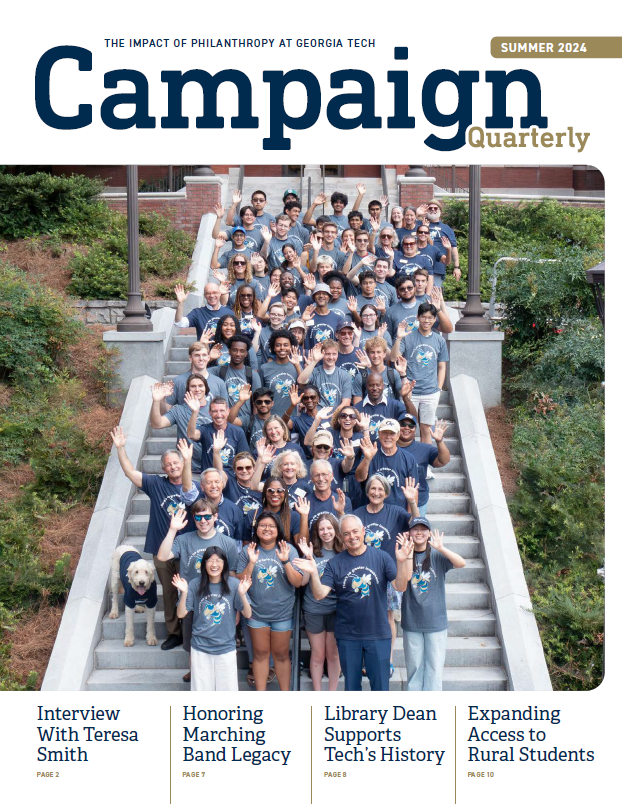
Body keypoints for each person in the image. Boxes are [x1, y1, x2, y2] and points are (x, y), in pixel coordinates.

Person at [293, 514, 413, 691]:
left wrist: (402, 562)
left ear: (363, 531)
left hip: (378, 634)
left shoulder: (382, 557)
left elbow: (400, 586)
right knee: (352, 688)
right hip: (348, 636)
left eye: (355, 531)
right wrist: (312, 573)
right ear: (341, 537)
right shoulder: (334, 563)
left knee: (380, 687)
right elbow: (319, 594)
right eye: (347, 533)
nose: (352, 537)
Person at [110, 427, 199, 651]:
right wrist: (120, 448)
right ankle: (174, 632)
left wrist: (187, 462)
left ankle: (192, 630)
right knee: (168, 592)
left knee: (189, 588)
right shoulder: (156, 484)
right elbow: (130, 472)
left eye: (176, 463)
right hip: (162, 547)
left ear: (183, 463)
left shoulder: (191, 487)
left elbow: (188, 489)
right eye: (168, 464)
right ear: (163, 467)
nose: (172, 466)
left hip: (188, 547)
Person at [158, 501, 239, 682]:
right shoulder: (184, 540)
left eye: (207, 516)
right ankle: (196, 676)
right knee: (191, 646)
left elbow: (233, 575)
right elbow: (163, 556)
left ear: (215, 517)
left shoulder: (228, 543)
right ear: (193, 518)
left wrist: (237, 609)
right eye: (198, 517)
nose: (203, 521)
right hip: (191, 602)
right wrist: (172, 530)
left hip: (221, 604)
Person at [354, 475, 420, 676]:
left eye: (380, 489)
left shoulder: (396, 512)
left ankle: (387, 659)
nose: (376, 492)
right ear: (367, 492)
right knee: (364, 618)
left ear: (386, 493)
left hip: (388, 574)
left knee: (387, 617)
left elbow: (416, 522)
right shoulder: (358, 515)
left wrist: (412, 502)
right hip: (364, 573)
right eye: (372, 489)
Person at [237, 512, 306, 690]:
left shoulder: (287, 549)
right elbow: (240, 581)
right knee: (260, 654)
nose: (267, 529)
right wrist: (251, 563)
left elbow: (298, 582)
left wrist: (285, 562)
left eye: (271, 526)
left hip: (282, 613)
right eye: (263, 525)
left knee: (281, 655)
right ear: (256, 528)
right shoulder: (248, 550)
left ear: (278, 529)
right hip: (256, 612)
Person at [395, 516, 465, 691]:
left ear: (428, 533)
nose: (419, 532)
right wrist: (405, 557)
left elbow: (461, 563)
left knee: (434, 668)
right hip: (412, 620)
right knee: (415, 668)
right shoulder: (403, 554)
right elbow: (404, 582)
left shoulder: (437, 555)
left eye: (423, 529)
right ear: (409, 532)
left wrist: (441, 548)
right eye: (415, 529)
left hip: (436, 621)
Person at [173, 546, 252, 691]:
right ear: (204, 564)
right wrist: (183, 593)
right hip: (201, 647)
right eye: (210, 561)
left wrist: (242, 595)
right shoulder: (195, 584)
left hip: (226, 648)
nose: (214, 564)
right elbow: (180, 614)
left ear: (224, 564)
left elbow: (247, 614)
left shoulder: (234, 584)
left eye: (218, 561)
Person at [391, 303, 449, 447]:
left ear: (435, 319)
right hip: (410, 391)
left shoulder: (439, 340)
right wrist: (398, 338)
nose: (426, 321)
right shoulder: (408, 337)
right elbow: (393, 358)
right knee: (405, 427)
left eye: (430, 318)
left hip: (431, 392)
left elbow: (442, 366)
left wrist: (439, 388)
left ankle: (425, 466)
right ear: (418, 318)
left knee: (426, 429)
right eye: (423, 317)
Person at [298, 515, 343, 691]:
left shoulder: (343, 551)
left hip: (336, 610)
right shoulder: (312, 551)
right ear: (317, 532)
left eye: (329, 528)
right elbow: (302, 583)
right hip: (314, 610)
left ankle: (331, 694)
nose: (326, 532)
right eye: (322, 529)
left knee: (333, 654)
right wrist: (309, 561)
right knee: (318, 654)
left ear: (335, 530)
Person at [150, 377, 211, 473]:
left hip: (211, 468)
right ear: (187, 389)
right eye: (193, 386)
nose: (197, 389)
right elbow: (157, 424)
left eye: (200, 386)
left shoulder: (214, 409)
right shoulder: (179, 410)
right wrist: (157, 401)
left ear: (206, 388)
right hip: (188, 469)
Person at [355, 418, 419, 509]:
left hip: (398, 513)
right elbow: (359, 478)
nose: (388, 437)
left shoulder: (408, 459)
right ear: (379, 434)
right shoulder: (370, 454)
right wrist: (367, 459)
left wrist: (411, 518)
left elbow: (413, 491)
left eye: (392, 433)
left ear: (398, 435)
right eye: (384, 433)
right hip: (372, 511)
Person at [397, 415, 450, 515]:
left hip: (418, 501)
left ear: (415, 429)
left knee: (415, 530)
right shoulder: (388, 447)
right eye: (403, 424)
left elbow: (444, 461)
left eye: (411, 425)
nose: (407, 427)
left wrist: (439, 441)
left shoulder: (425, 448)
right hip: (393, 500)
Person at [186, 395, 250, 471]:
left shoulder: (238, 431)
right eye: (215, 411)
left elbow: (244, 457)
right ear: (209, 412)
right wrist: (195, 412)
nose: (219, 415)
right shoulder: (205, 429)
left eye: (222, 410)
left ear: (228, 411)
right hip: (210, 477)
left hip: (231, 477)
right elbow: (191, 435)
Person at [207, 335, 261, 419]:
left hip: (245, 421)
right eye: (234, 350)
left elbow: (257, 401)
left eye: (242, 351)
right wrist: (209, 358)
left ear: (246, 353)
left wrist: (253, 423)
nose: (238, 354)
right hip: (223, 420)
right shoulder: (219, 371)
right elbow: (196, 374)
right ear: (229, 351)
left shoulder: (252, 374)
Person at [354, 372, 416, 439]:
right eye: (371, 385)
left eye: (378, 385)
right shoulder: (357, 408)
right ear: (366, 386)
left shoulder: (395, 405)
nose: (375, 388)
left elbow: (413, 419)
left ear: (383, 386)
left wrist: (405, 398)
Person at [297, 340, 352, 412]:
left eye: (334, 354)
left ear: (337, 355)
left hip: (335, 417)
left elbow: (346, 403)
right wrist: (314, 361)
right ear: (322, 354)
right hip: (316, 416)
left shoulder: (345, 375)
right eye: (327, 354)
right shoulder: (315, 372)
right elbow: (300, 380)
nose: (331, 357)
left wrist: (332, 418)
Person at [415, 201, 461, 284]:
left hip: (437, 268)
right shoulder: (418, 225)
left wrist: (456, 267)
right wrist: (417, 214)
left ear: (440, 211)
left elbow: (453, 247)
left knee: (436, 295)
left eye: (435, 208)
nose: (433, 210)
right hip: (418, 267)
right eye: (430, 208)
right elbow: (404, 228)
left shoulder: (446, 228)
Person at [259, 329, 302, 417]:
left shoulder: (297, 366)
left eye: (286, 345)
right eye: (278, 345)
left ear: (291, 347)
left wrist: (297, 365)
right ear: (273, 348)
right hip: (271, 419)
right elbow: (259, 396)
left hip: (292, 418)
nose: (282, 348)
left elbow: (303, 386)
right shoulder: (264, 368)